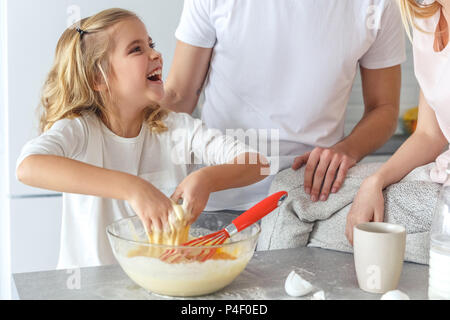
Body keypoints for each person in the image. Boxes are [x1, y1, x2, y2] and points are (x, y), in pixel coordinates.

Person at [16, 8, 269, 269]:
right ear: (97, 78)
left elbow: (259, 164)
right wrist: (134, 189)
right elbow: (28, 168)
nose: (156, 54)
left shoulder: (176, 128)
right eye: (136, 49)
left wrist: (207, 178)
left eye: (151, 44)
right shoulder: (80, 130)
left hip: (161, 283)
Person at [159, 0, 406, 212]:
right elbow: (179, 95)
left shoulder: (377, 5)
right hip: (213, 196)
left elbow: (383, 108)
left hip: (312, 201)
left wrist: (348, 149)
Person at [346, 0, 450, 243]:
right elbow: (429, 135)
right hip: (440, 176)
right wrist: (375, 181)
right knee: (308, 192)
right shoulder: (427, 20)